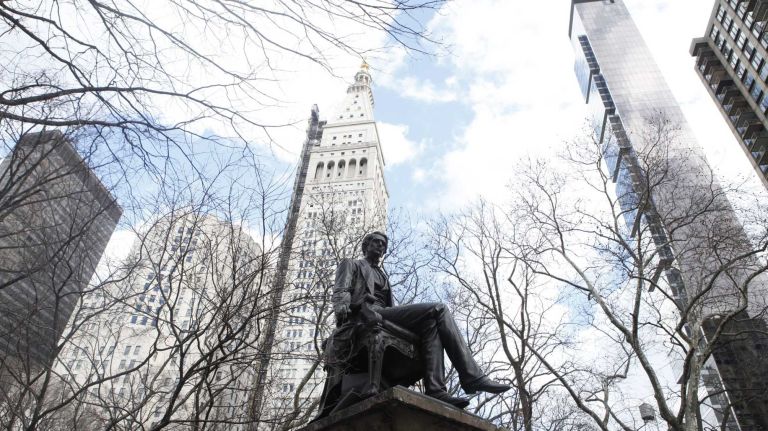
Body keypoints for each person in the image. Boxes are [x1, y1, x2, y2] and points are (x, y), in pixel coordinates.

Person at [331, 231, 511, 408]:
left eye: (383, 245)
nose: (380, 246)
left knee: (430, 324)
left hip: (384, 313)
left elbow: (390, 306)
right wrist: (341, 308)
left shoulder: (383, 275)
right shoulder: (352, 264)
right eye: (377, 242)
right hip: (366, 314)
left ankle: (435, 390)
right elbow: (341, 290)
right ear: (366, 245)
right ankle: (473, 377)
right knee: (439, 309)